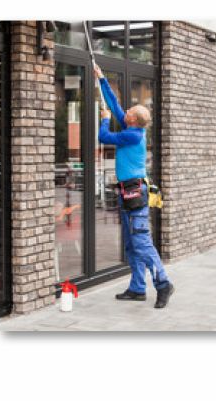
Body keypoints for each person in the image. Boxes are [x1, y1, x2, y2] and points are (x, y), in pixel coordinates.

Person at [95, 64, 174, 309]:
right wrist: (102, 79)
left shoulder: (133, 135)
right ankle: (138, 288)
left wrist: (105, 121)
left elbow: (104, 137)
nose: (126, 111)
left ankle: (163, 284)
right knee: (131, 243)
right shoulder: (131, 127)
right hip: (127, 192)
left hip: (135, 193)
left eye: (130, 111)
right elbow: (116, 105)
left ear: (134, 120)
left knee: (141, 242)